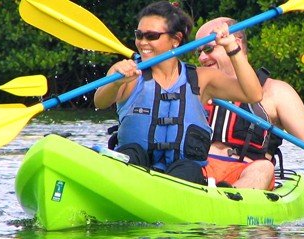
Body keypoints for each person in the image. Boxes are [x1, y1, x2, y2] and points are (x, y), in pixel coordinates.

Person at [94, 1, 262, 185]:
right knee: (130, 154)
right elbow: (100, 102)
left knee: (188, 170)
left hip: (183, 175)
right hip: (134, 167)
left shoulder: (202, 78)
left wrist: (232, 48)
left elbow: (253, 94)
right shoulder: (126, 72)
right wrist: (116, 83)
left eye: (151, 36)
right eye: (139, 35)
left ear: (175, 39)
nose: (142, 42)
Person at [196, 17, 304, 190]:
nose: (202, 57)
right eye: (198, 52)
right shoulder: (196, 88)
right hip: (199, 170)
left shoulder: (275, 91)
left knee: (264, 168)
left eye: (209, 48)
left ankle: (227, 203)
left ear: (236, 43)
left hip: (247, 174)